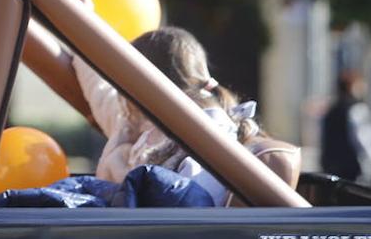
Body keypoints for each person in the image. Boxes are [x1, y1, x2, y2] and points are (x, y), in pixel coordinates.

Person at [74, 26, 258, 206]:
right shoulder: (137, 126)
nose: (122, 101)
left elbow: (190, 206)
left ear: (142, 88)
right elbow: (100, 91)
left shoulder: (205, 140)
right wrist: (78, 27)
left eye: (125, 87)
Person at [320, 69, 371, 181]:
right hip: (350, 173)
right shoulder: (356, 109)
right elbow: (366, 142)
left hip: (330, 171)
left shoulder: (331, 111)